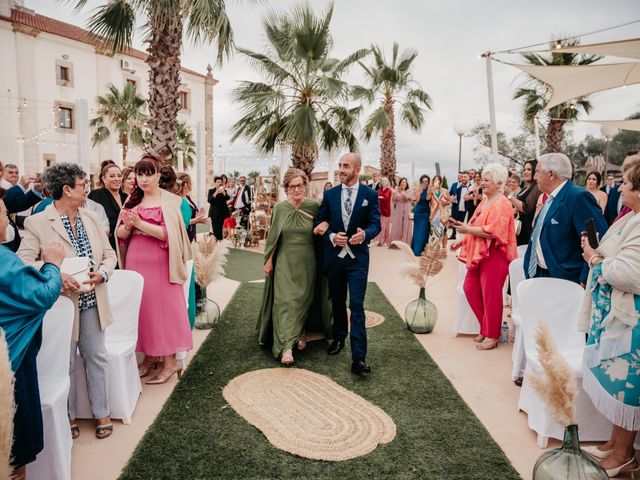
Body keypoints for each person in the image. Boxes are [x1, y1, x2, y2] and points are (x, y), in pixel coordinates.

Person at [18, 163, 117, 440]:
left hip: (93, 301)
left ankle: (102, 412)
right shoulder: (37, 221)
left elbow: (110, 255)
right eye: (82, 183)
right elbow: (24, 263)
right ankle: (69, 415)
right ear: (66, 189)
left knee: (96, 356)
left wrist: (103, 274)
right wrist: (56, 274)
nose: (87, 187)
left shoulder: (92, 217)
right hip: (61, 305)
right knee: (66, 362)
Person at [577, 161, 640, 478]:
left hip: (633, 323)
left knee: (629, 389)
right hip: (616, 316)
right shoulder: (631, 218)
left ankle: (624, 454)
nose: (619, 187)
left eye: (626, 183)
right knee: (620, 388)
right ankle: (614, 442)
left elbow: (629, 273)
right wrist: (596, 250)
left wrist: (594, 258)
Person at [0, 188, 64, 479]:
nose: (7, 221)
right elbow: (43, 294)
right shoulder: (3, 259)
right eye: (3, 214)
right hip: (10, 360)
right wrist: (52, 264)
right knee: (14, 445)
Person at [116, 156, 193, 384]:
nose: (143, 179)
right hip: (135, 260)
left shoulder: (171, 201)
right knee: (143, 311)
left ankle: (170, 363)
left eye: (149, 173)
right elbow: (120, 235)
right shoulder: (132, 200)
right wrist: (128, 226)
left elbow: (170, 235)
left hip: (162, 263)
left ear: (159, 175)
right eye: (140, 174)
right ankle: (150, 357)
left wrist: (140, 224)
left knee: (164, 312)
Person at [313, 153, 380, 375]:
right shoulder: (330, 194)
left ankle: (359, 358)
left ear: (357, 170)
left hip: (358, 260)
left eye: (346, 166)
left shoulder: (369, 195)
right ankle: (339, 337)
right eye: (340, 165)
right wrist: (332, 236)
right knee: (338, 300)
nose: (341, 169)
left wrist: (365, 234)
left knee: (357, 306)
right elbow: (320, 223)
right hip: (335, 259)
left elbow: (375, 224)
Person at [258, 169, 331, 365]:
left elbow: (328, 222)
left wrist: (324, 224)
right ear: (286, 188)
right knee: (285, 301)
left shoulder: (314, 206)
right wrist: (269, 261)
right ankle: (286, 348)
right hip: (284, 262)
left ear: (305, 186)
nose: (297, 189)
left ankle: (298, 333)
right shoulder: (280, 208)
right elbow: (274, 238)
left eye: (300, 185)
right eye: (293, 186)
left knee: (300, 301)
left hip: (307, 263)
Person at [450, 163, 517, 351]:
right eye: (483, 179)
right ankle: (485, 326)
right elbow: (474, 226)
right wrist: (461, 241)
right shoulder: (485, 201)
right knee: (470, 288)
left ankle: (492, 334)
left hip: (495, 255)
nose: (482, 182)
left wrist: (466, 230)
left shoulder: (502, 203)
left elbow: (495, 232)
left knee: (491, 295)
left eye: (487, 179)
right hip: (479, 253)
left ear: (499, 182)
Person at [523, 153, 608, 284]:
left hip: (564, 279)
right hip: (540, 274)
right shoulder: (551, 197)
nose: (534, 177)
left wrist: (584, 279)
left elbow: (597, 239)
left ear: (550, 174)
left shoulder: (578, 197)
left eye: (537, 172)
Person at [88, 163, 128, 252]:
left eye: (119, 176)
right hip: (105, 245)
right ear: (104, 179)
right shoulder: (96, 195)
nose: (117, 179)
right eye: (112, 176)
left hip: (124, 245)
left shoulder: (126, 197)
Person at [505, 160, 540, 246]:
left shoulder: (537, 187)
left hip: (528, 228)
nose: (525, 172)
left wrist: (509, 196)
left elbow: (526, 208)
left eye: (529, 169)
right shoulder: (526, 187)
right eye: (524, 169)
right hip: (520, 226)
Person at [388, 177, 412, 248]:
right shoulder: (397, 190)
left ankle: (404, 243)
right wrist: (395, 193)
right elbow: (393, 201)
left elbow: (407, 199)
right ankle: (396, 243)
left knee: (405, 225)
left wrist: (401, 192)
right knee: (397, 226)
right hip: (398, 209)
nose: (403, 183)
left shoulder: (409, 190)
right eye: (402, 182)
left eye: (404, 182)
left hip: (406, 208)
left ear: (406, 183)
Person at [411, 174, 431, 256]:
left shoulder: (430, 190)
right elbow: (417, 200)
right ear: (421, 182)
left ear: (428, 182)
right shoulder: (418, 189)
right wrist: (420, 191)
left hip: (426, 212)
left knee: (424, 231)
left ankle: (423, 249)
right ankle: (416, 250)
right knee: (417, 231)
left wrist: (429, 190)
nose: (425, 183)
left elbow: (427, 199)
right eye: (423, 181)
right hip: (418, 212)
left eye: (426, 181)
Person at [429, 175, 451, 248]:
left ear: (440, 181)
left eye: (438, 180)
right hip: (434, 214)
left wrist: (446, 202)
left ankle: (444, 248)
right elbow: (427, 199)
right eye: (435, 179)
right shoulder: (431, 190)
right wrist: (431, 190)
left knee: (444, 231)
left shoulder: (445, 190)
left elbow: (449, 201)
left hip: (443, 214)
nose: (436, 181)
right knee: (435, 232)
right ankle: (436, 248)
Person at [207, 176, 230, 240]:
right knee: (215, 230)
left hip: (222, 213)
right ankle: (217, 242)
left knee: (220, 229)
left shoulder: (224, 191)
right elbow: (210, 200)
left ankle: (219, 242)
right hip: (214, 213)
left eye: (220, 182)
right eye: (218, 182)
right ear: (215, 183)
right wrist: (216, 192)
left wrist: (223, 192)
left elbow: (227, 198)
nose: (219, 183)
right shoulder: (211, 191)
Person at [374, 176, 392, 246]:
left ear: (387, 182)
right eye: (382, 181)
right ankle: (379, 241)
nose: (383, 182)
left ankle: (383, 241)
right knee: (380, 226)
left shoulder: (389, 190)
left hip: (386, 210)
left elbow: (386, 197)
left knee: (385, 227)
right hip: (379, 210)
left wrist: (379, 197)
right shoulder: (379, 190)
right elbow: (376, 196)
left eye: (385, 181)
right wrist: (379, 197)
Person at [448, 172, 463, 240]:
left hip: (462, 206)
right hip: (454, 206)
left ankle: (461, 235)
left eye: (460, 176)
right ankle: (453, 234)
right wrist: (451, 198)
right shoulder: (454, 185)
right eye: (458, 176)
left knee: (460, 221)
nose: (459, 177)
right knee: (453, 220)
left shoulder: (464, 185)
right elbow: (450, 194)